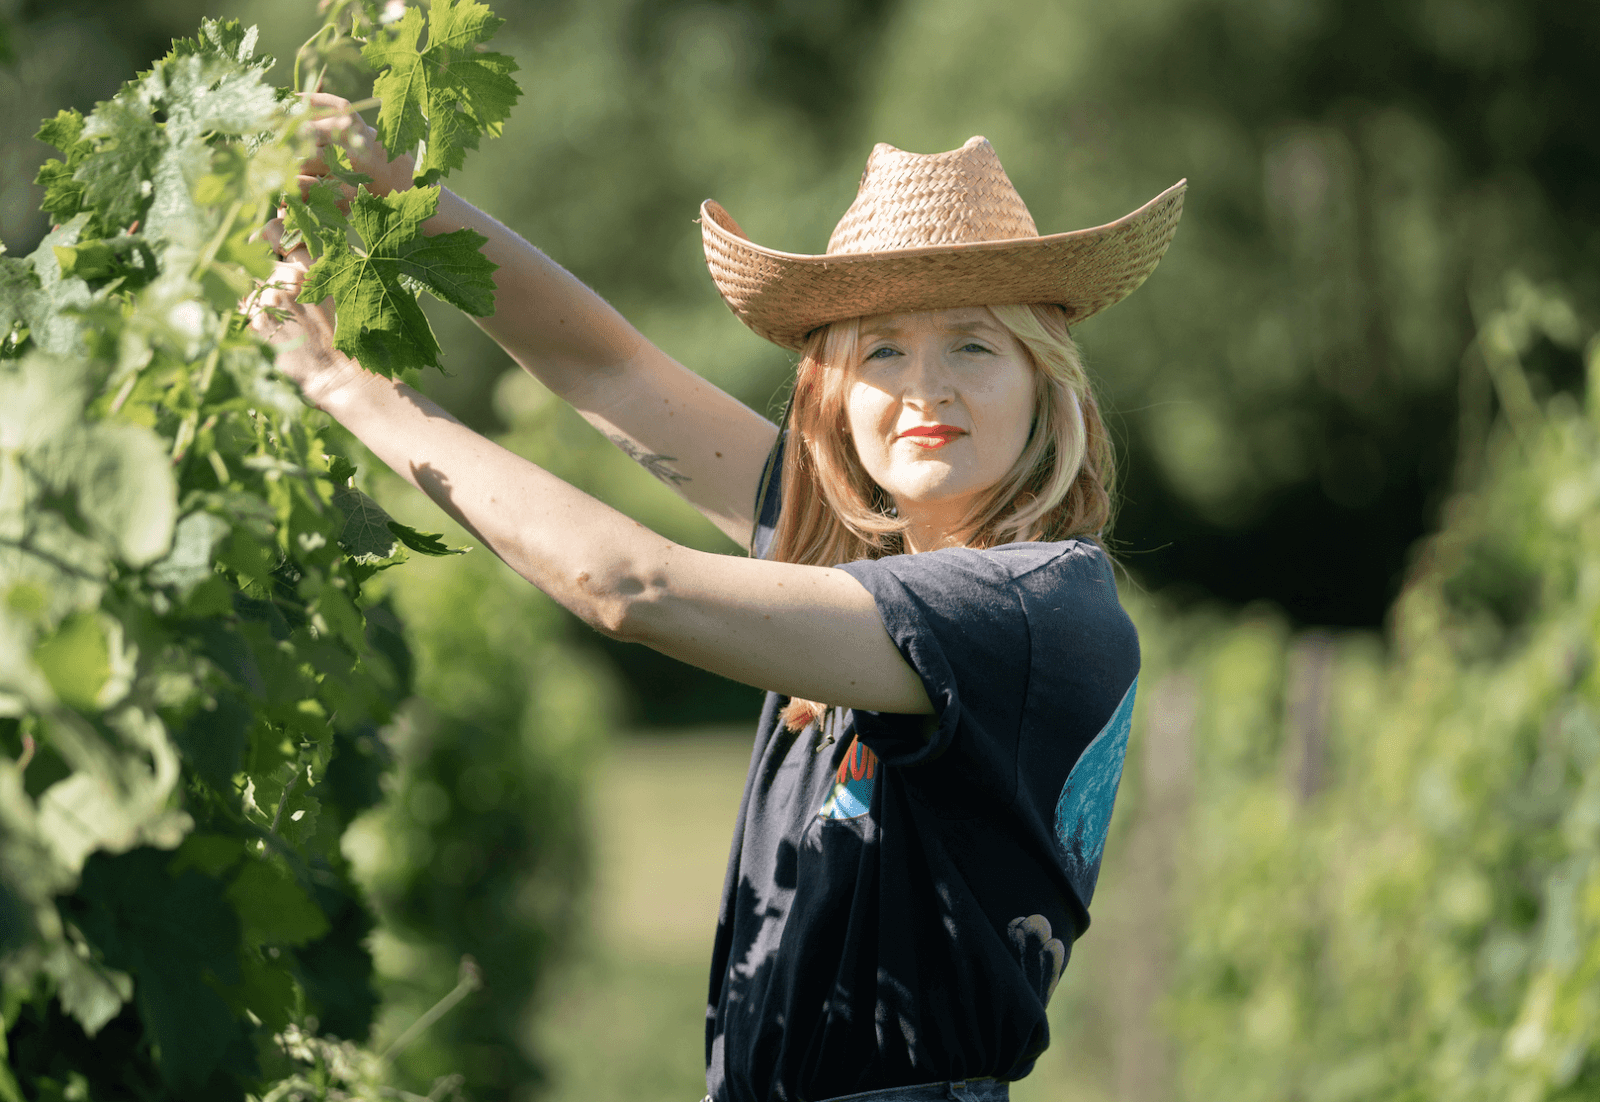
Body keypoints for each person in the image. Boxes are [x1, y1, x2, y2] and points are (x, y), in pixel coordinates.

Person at [249, 95, 1185, 1102]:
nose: (924, 387)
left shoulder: (1027, 609)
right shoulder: (845, 552)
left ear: (1049, 389)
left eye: (972, 345)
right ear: (832, 390)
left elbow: (631, 586)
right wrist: (399, 191)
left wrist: (350, 387)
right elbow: (603, 365)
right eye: (881, 349)